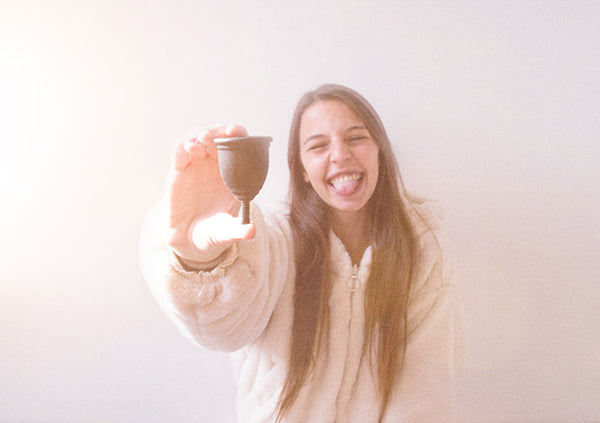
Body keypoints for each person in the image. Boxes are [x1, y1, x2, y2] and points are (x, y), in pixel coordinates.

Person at [139, 84, 466, 422]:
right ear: (303, 172)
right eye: (318, 145)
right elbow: (225, 328)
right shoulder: (274, 242)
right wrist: (198, 260)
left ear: (379, 151)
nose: (340, 155)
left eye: (355, 138)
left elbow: (425, 394)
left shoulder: (423, 249)